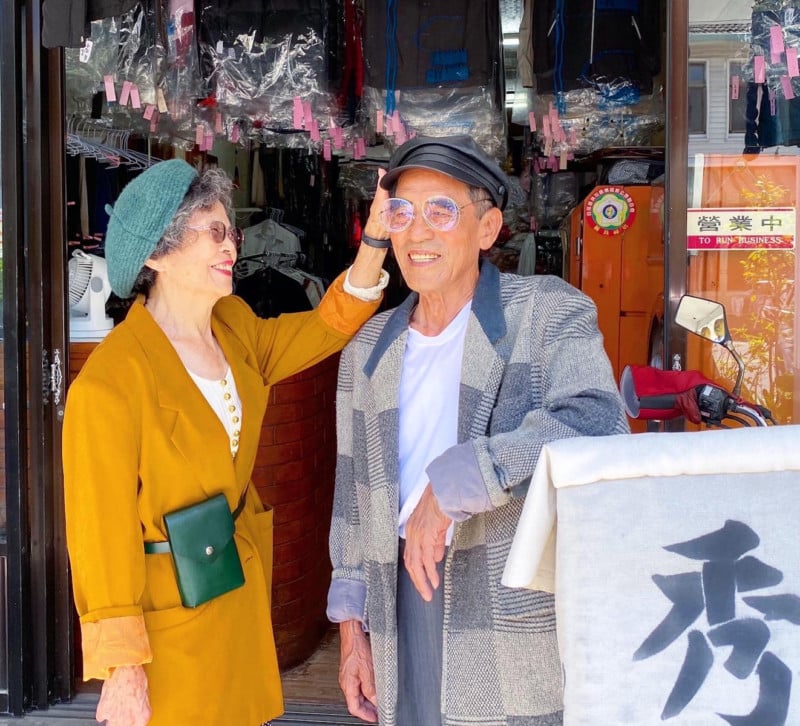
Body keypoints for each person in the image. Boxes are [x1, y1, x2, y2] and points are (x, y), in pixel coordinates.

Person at [62, 158, 390, 726]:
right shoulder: (111, 382)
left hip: (232, 582)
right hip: (167, 612)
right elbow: (98, 534)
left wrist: (378, 236)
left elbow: (326, 327)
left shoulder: (232, 324)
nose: (231, 247)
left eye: (230, 231)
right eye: (212, 232)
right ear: (158, 255)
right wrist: (122, 668)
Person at [327, 135, 631, 725]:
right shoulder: (368, 347)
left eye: (441, 211)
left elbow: (596, 421)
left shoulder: (546, 312)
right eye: (401, 213)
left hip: (509, 604)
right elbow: (350, 499)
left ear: (488, 228)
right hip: (397, 603)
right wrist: (350, 630)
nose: (417, 233)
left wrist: (456, 483)